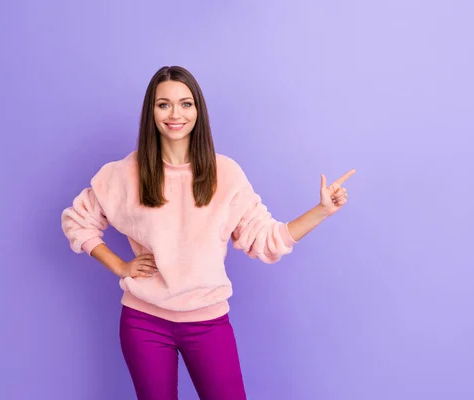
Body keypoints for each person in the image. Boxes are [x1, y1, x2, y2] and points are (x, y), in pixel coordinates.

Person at [61, 65, 355, 400]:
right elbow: (77, 220)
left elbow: (266, 239)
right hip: (143, 322)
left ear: (198, 111)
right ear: (151, 111)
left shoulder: (225, 173)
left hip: (208, 322)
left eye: (186, 104)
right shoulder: (125, 173)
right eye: (164, 104)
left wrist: (322, 211)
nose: (175, 114)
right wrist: (119, 266)